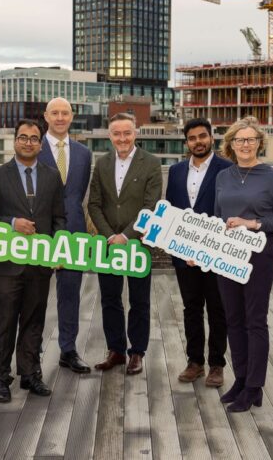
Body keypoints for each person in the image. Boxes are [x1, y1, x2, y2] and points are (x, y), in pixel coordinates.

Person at [0, 119, 66, 402]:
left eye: (34, 138)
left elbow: (59, 218)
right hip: (7, 264)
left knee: (34, 321)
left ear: (41, 144)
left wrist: (58, 248)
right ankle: (1, 379)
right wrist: (12, 223)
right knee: (5, 322)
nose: (28, 142)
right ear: (15, 141)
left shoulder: (52, 176)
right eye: (23, 137)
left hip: (39, 264)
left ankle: (30, 374)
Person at [214, 116, 273, 412]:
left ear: (259, 143)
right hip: (227, 254)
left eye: (250, 139)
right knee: (233, 319)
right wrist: (202, 249)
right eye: (239, 140)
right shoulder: (223, 177)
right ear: (231, 144)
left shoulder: (272, 178)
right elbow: (216, 218)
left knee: (255, 320)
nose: (245, 144)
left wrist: (252, 223)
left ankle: (254, 386)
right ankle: (240, 379)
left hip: (258, 256)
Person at [88, 113, 162, 375]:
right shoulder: (102, 163)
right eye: (117, 133)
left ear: (135, 133)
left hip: (138, 243)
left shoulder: (151, 163)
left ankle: (137, 352)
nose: (122, 138)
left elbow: (151, 206)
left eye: (127, 133)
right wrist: (111, 236)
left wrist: (126, 236)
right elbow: (94, 204)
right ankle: (116, 350)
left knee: (139, 301)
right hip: (108, 244)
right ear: (110, 136)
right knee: (110, 299)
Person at [165, 118, 232, 387]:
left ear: (211, 138)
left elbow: (229, 212)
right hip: (184, 254)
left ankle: (217, 364)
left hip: (215, 254)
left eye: (202, 136)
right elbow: (172, 210)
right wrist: (181, 248)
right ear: (187, 142)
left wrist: (206, 249)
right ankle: (194, 362)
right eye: (192, 138)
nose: (198, 142)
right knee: (191, 308)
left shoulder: (227, 169)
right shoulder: (176, 171)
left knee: (217, 308)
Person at [37, 97, 92, 374]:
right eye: (55, 113)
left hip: (73, 232)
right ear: (46, 116)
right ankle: (31, 352)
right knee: (34, 295)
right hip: (39, 233)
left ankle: (68, 350)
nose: (60, 118)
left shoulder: (84, 153)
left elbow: (77, 194)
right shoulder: (33, 148)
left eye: (65, 113)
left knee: (70, 294)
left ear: (72, 116)